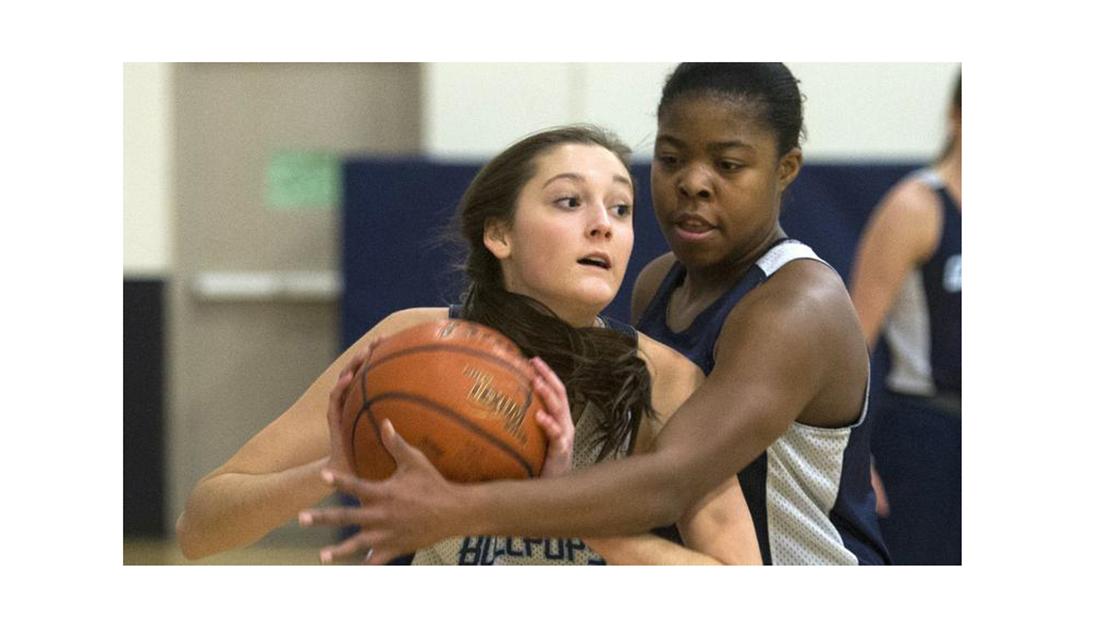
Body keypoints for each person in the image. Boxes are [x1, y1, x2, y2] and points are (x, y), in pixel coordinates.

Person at [300, 63, 891, 565]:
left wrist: (461, 506)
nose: (693, 184)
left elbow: (669, 481)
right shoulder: (659, 283)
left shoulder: (797, 307)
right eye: (670, 158)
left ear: (786, 169)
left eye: (729, 165)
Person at [175, 124, 762, 565]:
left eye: (621, 208)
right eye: (568, 201)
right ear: (499, 233)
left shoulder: (665, 379)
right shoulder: (410, 346)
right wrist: (337, 466)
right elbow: (199, 528)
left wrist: (567, 506)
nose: (603, 224)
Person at [849, 72, 961, 564]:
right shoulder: (916, 204)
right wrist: (852, 458)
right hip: (929, 435)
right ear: (957, 116)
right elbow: (851, 345)